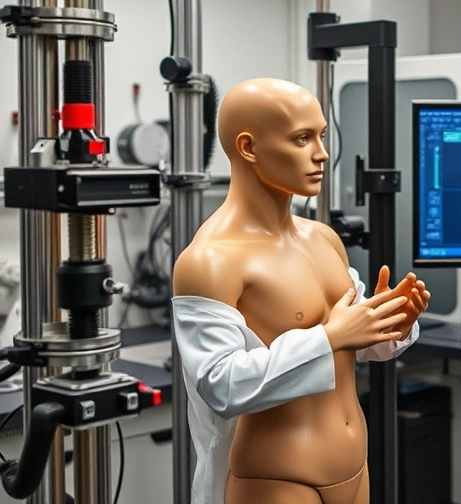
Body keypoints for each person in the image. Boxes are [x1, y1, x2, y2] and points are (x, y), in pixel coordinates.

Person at [171, 77, 430, 504]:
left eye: (322, 136)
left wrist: (392, 323)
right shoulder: (211, 260)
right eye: (302, 138)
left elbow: (357, 347)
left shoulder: (323, 239)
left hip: (354, 468)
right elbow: (219, 385)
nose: (322, 153)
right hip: (277, 479)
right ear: (249, 148)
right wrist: (331, 337)